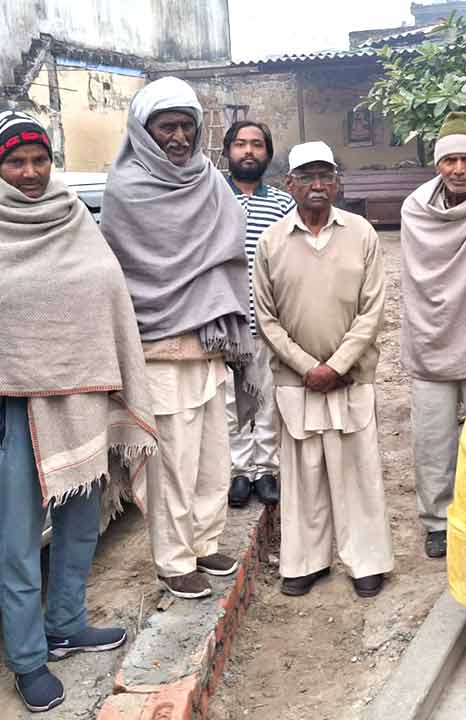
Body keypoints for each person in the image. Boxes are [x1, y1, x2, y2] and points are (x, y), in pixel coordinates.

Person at [0, 111, 156, 711]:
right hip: (16, 409)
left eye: (40, 159)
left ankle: (66, 622)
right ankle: (28, 658)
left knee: (81, 523)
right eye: (17, 161)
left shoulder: (71, 212)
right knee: (17, 543)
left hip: (81, 401)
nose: (31, 172)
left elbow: (103, 291)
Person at [102, 77, 264, 600]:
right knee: (170, 464)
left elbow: (229, 254)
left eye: (185, 126)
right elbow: (128, 272)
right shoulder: (125, 187)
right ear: (143, 131)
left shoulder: (210, 181)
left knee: (213, 457)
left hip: (210, 342)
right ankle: (173, 561)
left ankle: (205, 542)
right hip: (158, 349)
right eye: (166, 126)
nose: (177, 137)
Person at [253, 141, 394, 598]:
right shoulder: (271, 241)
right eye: (307, 177)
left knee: (358, 471)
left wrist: (336, 365)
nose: (317, 185)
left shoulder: (362, 233)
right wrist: (306, 366)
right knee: (303, 475)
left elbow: (373, 310)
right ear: (289, 184)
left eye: (326, 175)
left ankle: (366, 561)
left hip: (351, 377)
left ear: (337, 182)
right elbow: (266, 318)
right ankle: (305, 562)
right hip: (297, 382)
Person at [399, 112, 466, 558]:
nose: (459, 169)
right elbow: (416, 282)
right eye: (449, 160)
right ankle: (437, 520)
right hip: (429, 341)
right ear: (437, 164)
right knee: (432, 441)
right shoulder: (414, 208)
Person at [222, 120, 294, 508]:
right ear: (227, 151)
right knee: (230, 401)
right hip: (224, 320)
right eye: (240, 144)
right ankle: (238, 472)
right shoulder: (213, 195)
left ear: (267, 153)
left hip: (268, 319)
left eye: (257, 145)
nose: (248, 151)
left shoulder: (282, 203)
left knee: (266, 396)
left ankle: (265, 470)